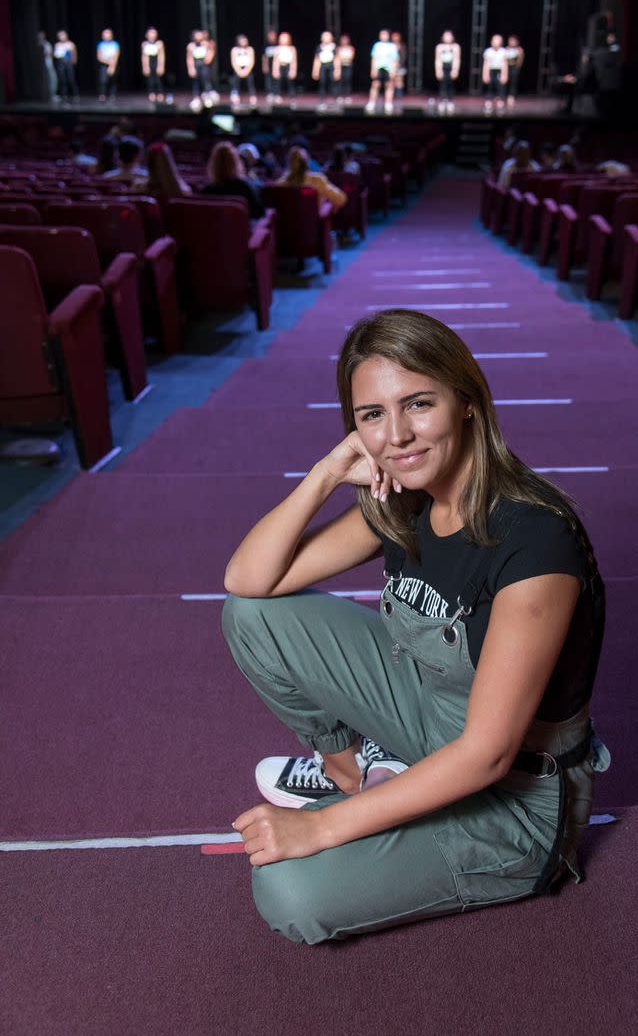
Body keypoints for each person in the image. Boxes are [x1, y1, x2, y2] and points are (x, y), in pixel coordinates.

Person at [222, 308, 610, 945]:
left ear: (467, 404)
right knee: (255, 617)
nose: (396, 435)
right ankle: (357, 773)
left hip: (518, 797)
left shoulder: (536, 541)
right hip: (431, 714)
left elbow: (486, 754)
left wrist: (321, 829)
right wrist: (324, 475)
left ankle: (374, 798)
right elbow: (248, 582)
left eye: (418, 403)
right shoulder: (403, 501)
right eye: (372, 415)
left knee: (288, 892)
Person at [202, 140, 265, 219]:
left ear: (213, 163)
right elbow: (259, 214)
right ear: (236, 162)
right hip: (242, 230)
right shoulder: (245, 187)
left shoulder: (206, 191)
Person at [277, 146, 347, 212]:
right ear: (307, 162)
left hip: (286, 224)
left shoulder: (280, 184)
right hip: (313, 223)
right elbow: (341, 199)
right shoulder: (317, 180)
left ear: (289, 163)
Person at [367, 29, 399, 115]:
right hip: (378, 68)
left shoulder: (392, 46)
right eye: (382, 34)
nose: (384, 36)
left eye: (385, 35)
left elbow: (395, 59)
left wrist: (394, 70)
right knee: (375, 85)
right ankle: (372, 103)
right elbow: (373, 58)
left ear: (388, 36)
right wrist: (373, 69)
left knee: (389, 85)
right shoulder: (377, 45)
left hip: (389, 69)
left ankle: (388, 103)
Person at [187, 29, 215, 111]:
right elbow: (189, 58)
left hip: (204, 64)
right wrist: (191, 68)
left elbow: (211, 52)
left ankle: (207, 97)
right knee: (196, 82)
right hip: (196, 64)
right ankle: (196, 98)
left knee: (206, 81)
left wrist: (208, 58)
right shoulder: (191, 46)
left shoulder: (205, 44)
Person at [434, 30, 461, 115]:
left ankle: (450, 101)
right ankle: (442, 101)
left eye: (449, 36)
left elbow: (457, 59)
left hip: (451, 66)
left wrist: (455, 70)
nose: (448, 38)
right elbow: (437, 59)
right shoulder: (439, 47)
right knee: (443, 84)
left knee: (450, 84)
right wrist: (438, 70)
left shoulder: (456, 47)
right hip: (443, 66)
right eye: (446, 36)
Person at [482, 34, 508, 116]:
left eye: (498, 40)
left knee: (500, 87)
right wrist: (485, 74)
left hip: (499, 70)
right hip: (491, 70)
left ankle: (500, 103)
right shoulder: (488, 51)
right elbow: (486, 64)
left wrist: (505, 74)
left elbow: (505, 64)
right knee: (490, 86)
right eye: (494, 40)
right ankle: (488, 102)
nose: (496, 42)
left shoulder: (503, 51)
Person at [230, 35, 257, 108]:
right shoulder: (234, 50)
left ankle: (252, 96)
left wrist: (246, 70)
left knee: (250, 82)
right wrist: (239, 71)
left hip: (247, 69)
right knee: (235, 82)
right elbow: (233, 62)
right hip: (238, 69)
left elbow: (252, 61)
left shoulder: (250, 49)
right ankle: (235, 95)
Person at [311, 31, 336, 111]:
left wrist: (337, 70)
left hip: (331, 65)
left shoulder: (333, 47)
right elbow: (317, 59)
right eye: (325, 37)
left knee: (333, 82)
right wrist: (315, 70)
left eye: (328, 37)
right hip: (323, 66)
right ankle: (322, 101)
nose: (326, 39)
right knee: (322, 82)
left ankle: (334, 100)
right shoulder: (320, 47)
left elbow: (337, 58)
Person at [141, 27, 166, 103]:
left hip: (156, 61)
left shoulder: (159, 43)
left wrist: (161, 66)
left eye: (154, 33)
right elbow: (144, 56)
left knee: (158, 79)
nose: (152, 35)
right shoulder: (144, 44)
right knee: (150, 79)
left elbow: (161, 55)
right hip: (149, 62)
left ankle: (160, 93)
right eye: (151, 33)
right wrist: (145, 66)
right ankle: (151, 93)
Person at [271, 32, 297, 104]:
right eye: (282, 38)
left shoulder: (292, 48)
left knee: (290, 82)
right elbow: (275, 60)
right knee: (278, 82)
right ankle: (277, 95)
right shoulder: (277, 48)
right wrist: (275, 70)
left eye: (285, 38)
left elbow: (294, 60)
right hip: (280, 66)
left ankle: (292, 97)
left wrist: (293, 70)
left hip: (288, 65)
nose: (283, 40)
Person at [53, 30, 78, 102]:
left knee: (71, 78)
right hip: (61, 63)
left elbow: (74, 54)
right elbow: (55, 54)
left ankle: (75, 94)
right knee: (62, 79)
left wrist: (74, 61)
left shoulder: (70, 44)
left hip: (69, 63)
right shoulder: (57, 45)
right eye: (60, 36)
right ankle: (64, 95)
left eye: (63, 35)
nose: (62, 37)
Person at [96, 28, 120, 102]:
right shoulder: (100, 45)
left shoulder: (115, 44)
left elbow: (116, 56)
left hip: (113, 64)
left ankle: (113, 95)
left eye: (108, 34)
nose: (107, 35)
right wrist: (108, 62)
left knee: (113, 80)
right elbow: (99, 57)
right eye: (105, 34)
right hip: (104, 64)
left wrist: (112, 66)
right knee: (103, 80)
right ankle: (103, 94)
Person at [505, 35, 525, 109]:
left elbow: (520, 61)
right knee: (506, 81)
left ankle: (511, 95)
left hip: (514, 67)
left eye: (513, 40)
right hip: (506, 67)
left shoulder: (519, 50)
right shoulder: (506, 49)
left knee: (513, 82)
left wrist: (517, 68)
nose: (512, 42)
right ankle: (504, 95)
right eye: (510, 40)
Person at [334, 33, 355, 104]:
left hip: (348, 66)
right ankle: (339, 96)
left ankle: (348, 96)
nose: (344, 41)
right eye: (343, 40)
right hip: (340, 66)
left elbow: (351, 57)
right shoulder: (338, 48)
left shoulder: (351, 48)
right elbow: (337, 57)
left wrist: (343, 58)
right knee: (340, 81)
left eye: (345, 40)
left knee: (347, 80)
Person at [38, 32, 57, 102]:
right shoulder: (37, 44)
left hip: (48, 64)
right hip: (40, 66)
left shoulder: (46, 44)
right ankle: (45, 95)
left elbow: (50, 53)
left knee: (52, 79)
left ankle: (52, 94)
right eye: (39, 36)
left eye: (42, 36)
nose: (41, 37)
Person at [262, 29, 278, 101]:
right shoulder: (266, 45)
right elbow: (264, 57)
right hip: (269, 65)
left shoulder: (277, 45)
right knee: (269, 79)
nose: (272, 37)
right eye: (270, 35)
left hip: (276, 65)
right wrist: (264, 65)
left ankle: (276, 93)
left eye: (273, 35)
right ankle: (269, 93)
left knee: (276, 79)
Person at [391, 30, 406, 102]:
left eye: (397, 36)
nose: (395, 38)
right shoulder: (390, 46)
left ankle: (399, 95)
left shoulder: (402, 46)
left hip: (400, 65)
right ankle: (392, 95)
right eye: (394, 36)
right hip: (391, 66)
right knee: (392, 80)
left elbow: (403, 56)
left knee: (399, 80)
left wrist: (399, 64)